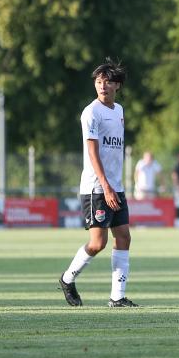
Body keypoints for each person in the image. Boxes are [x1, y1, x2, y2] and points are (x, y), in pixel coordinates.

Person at [58, 62, 138, 308]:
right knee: (98, 243)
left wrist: (115, 186)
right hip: (96, 188)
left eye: (108, 82)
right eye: (98, 82)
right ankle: (67, 278)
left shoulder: (119, 110)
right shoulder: (91, 112)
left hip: (115, 187)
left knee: (123, 237)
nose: (102, 86)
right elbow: (92, 153)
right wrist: (106, 186)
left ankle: (117, 297)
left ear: (117, 85)